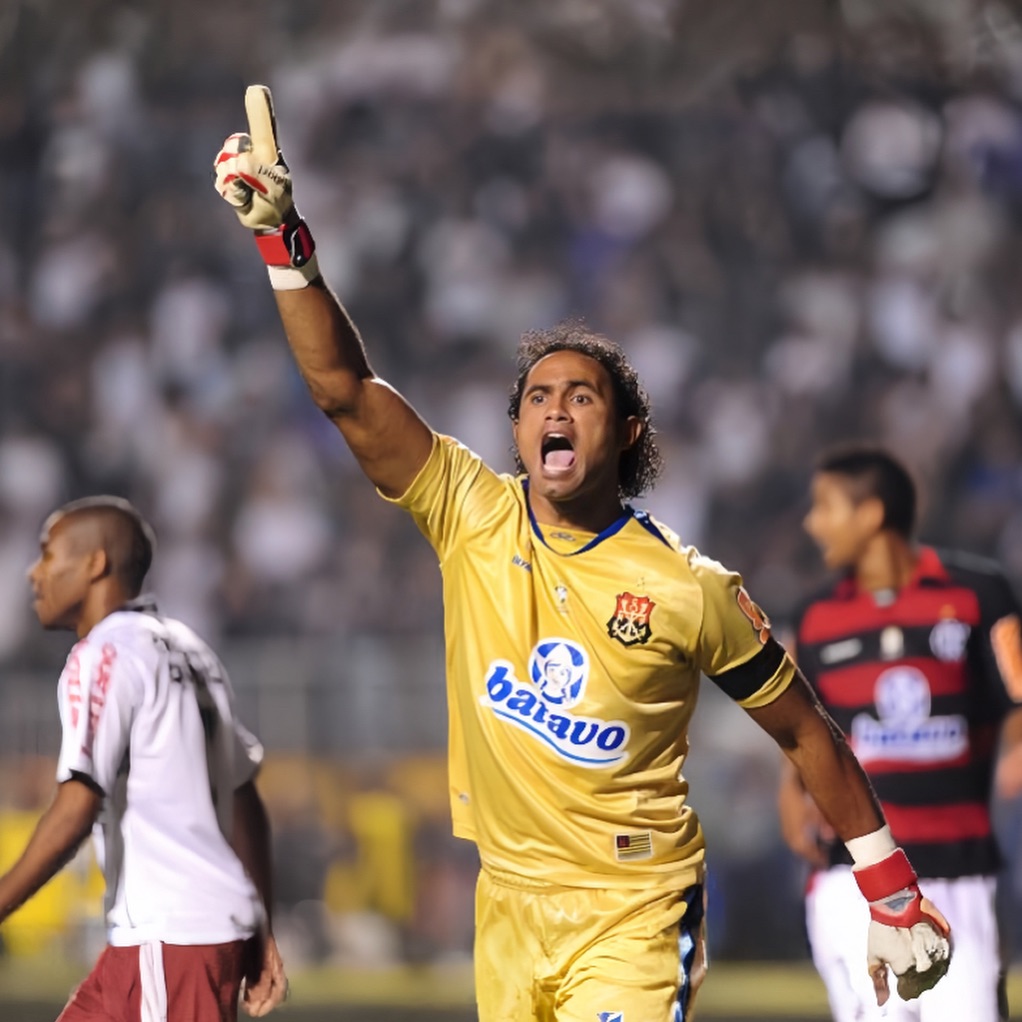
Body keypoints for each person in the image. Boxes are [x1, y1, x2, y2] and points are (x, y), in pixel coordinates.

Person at [213, 85, 952, 1022]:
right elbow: (346, 392)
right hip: (508, 909)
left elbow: (805, 728)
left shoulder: (689, 588)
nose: (555, 408)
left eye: (583, 395)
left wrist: (889, 889)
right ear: (516, 427)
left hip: (633, 911)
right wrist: (284, 243)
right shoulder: (468, 512)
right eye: (537, 396)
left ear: (628, 429)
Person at [0, 495, 288, 1020]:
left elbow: (76, 808)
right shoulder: (187, 646)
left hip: (169, 939)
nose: (33, 573)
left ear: (95, 563)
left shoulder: (103, 656)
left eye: (48, 555)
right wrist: (261, 923)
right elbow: (243, 796)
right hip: (175, 937)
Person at [778, 446, 1022, 1022]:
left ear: (870, 514)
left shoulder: (981, 595)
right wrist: (790, 796)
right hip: (852, 877)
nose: (813, 523)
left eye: (825, 506)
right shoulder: (812, 617)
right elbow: (800, 730)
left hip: (958, 870)